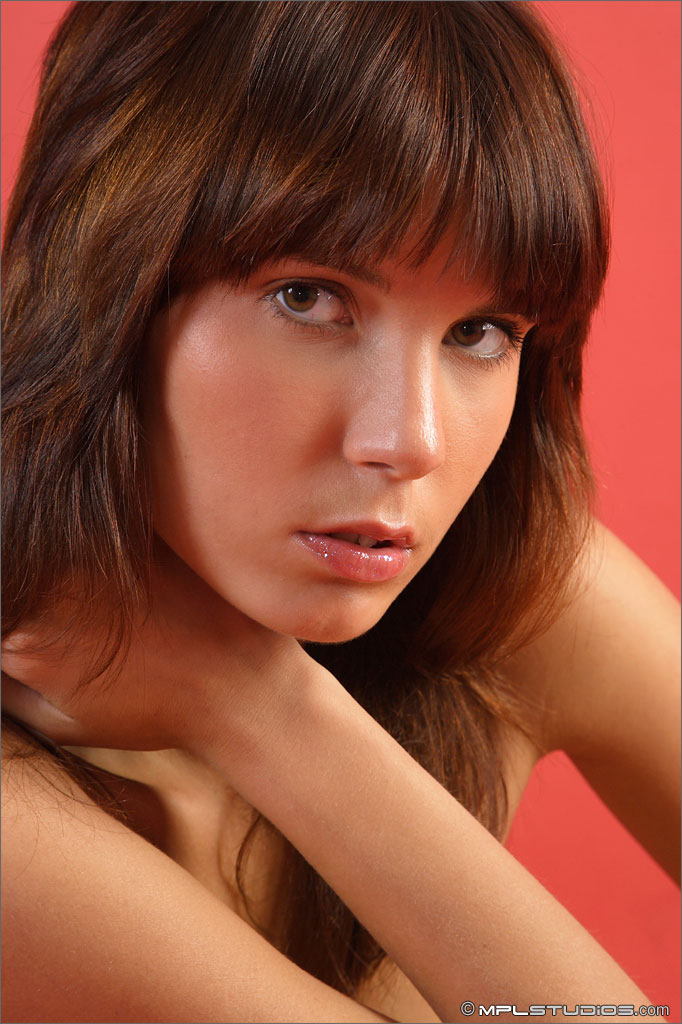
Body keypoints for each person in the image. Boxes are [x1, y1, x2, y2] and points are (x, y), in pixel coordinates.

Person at [1, 2, 679, 1022]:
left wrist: (261, 705)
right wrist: (261, 713)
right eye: (309, 298)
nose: (410, 441)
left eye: (480, 332)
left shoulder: (515, 598)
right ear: (104, 285)